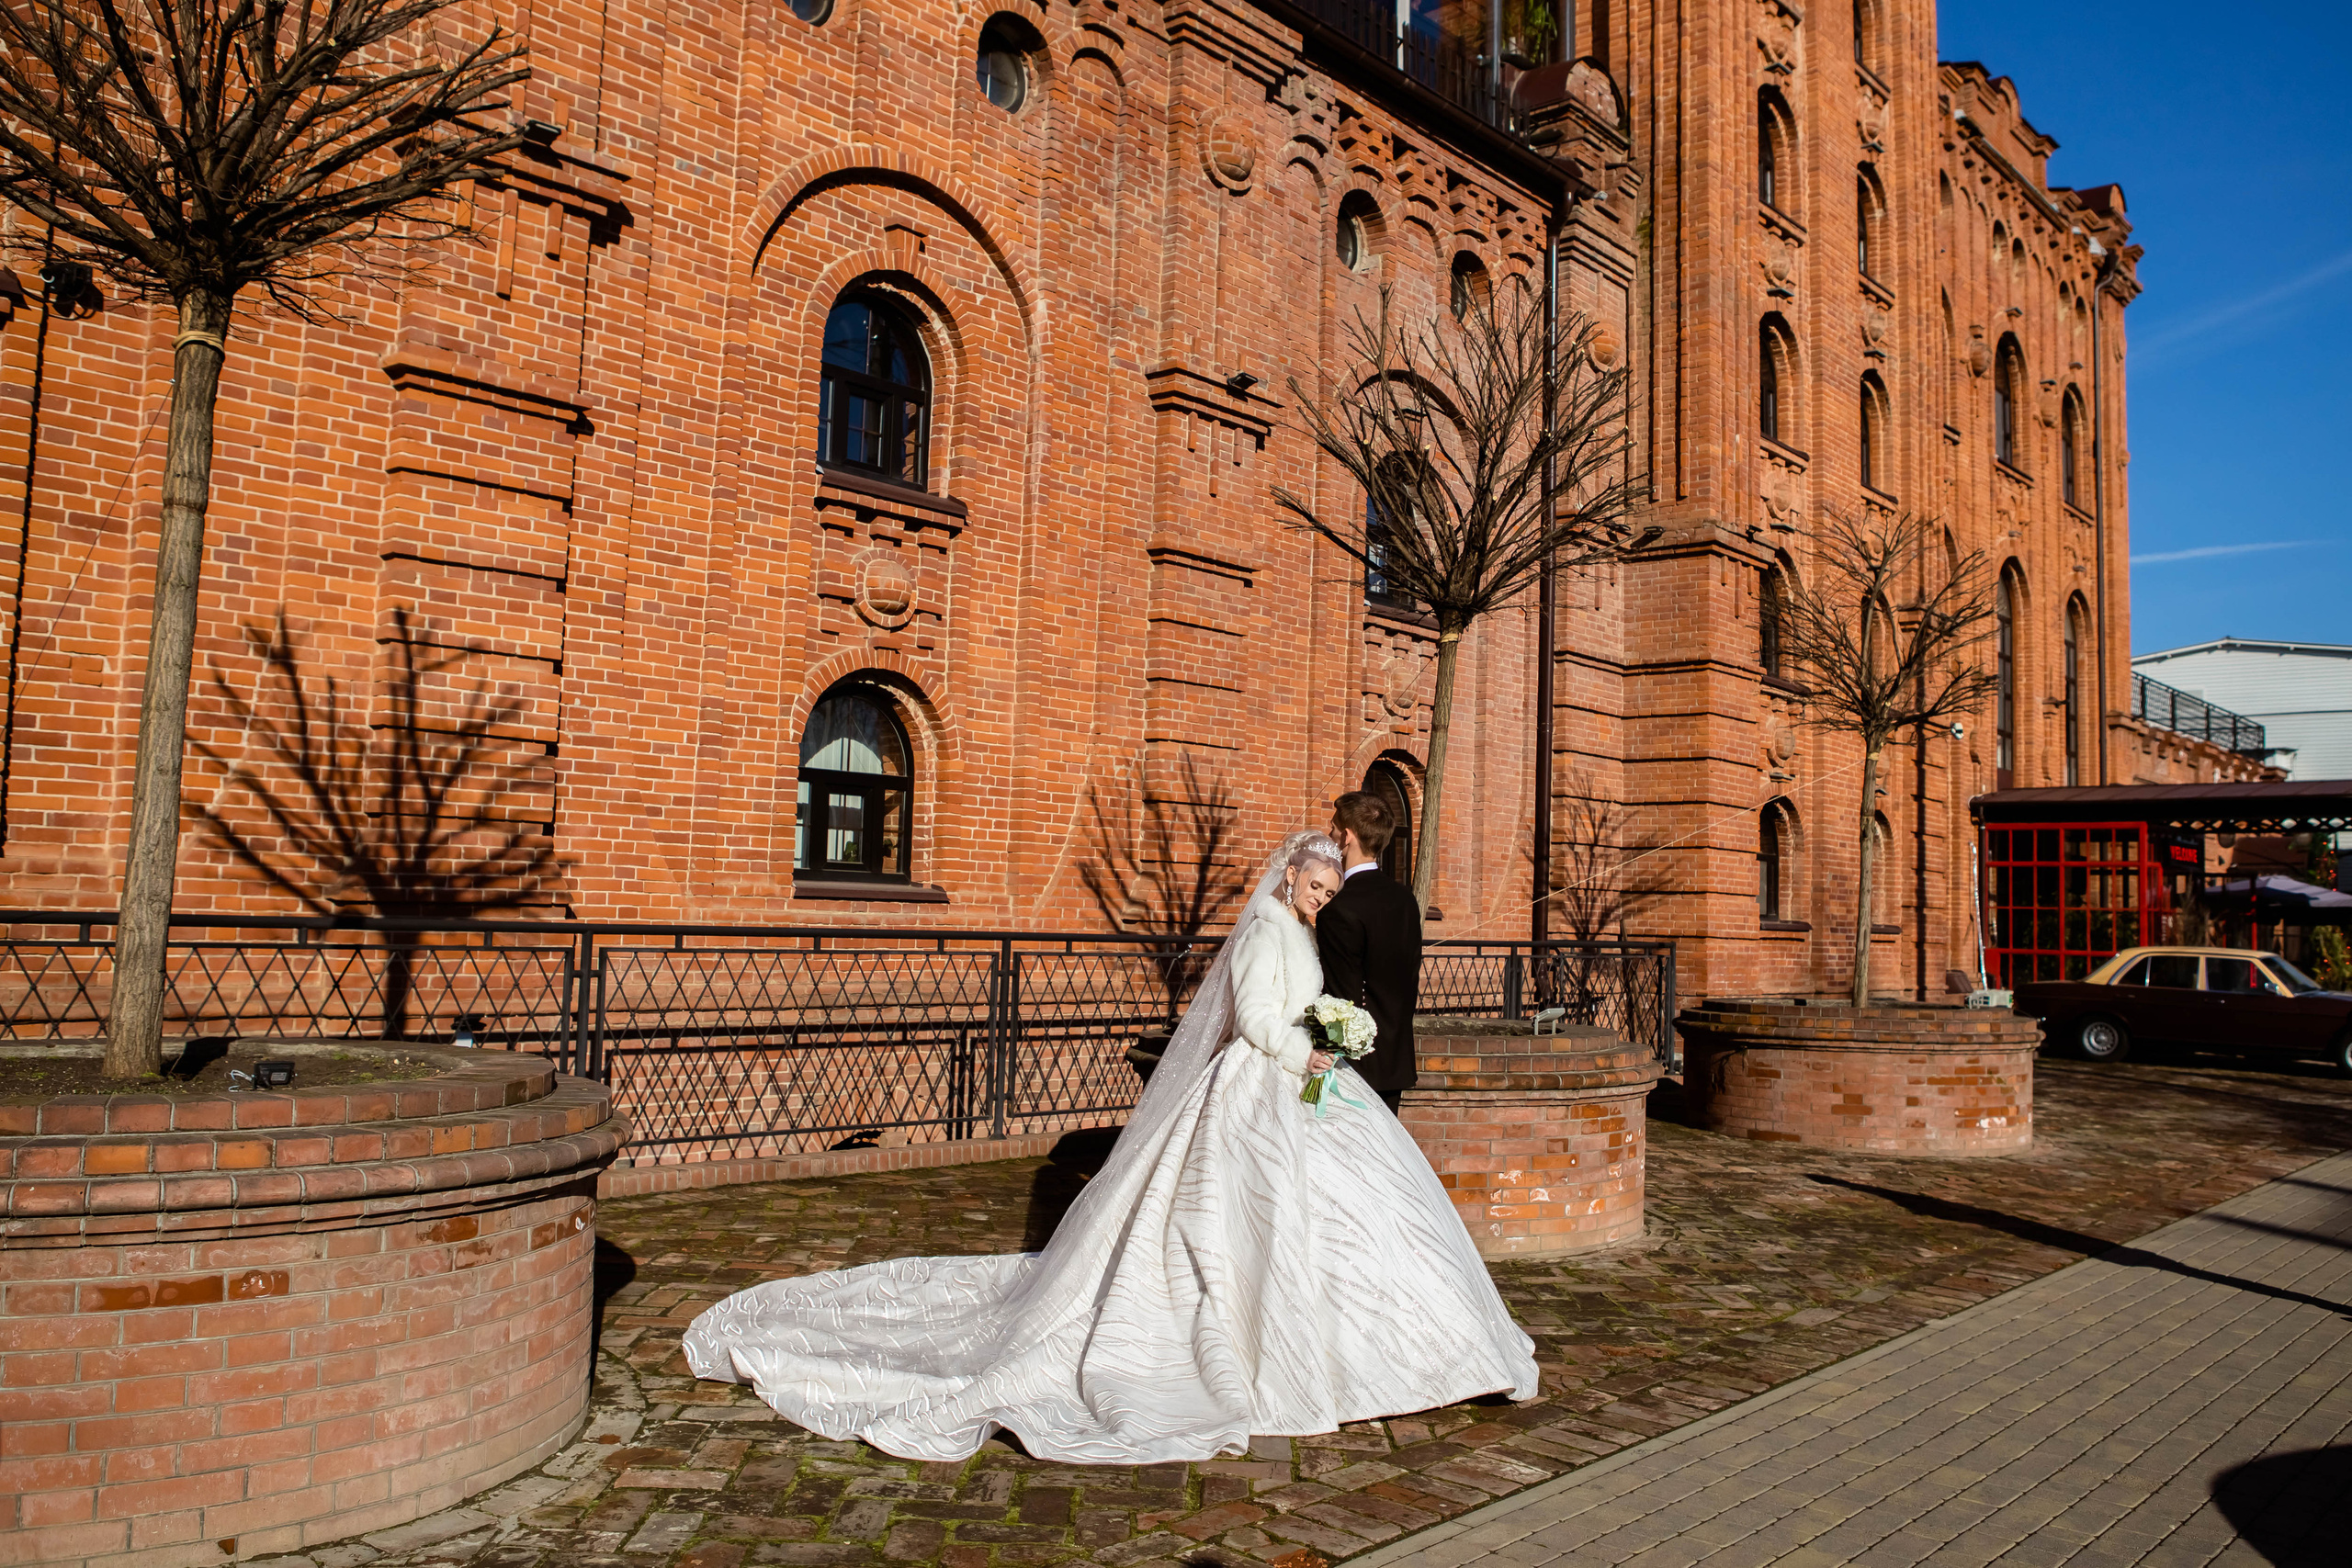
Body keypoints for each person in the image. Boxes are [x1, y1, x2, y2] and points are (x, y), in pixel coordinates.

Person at [680, 831, 1537, 1463]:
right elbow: (1256, 1016)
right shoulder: (1269, 930)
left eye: (1324, 887)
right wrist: (1305, 1043)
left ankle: (1403, 1345)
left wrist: (1322, 1037)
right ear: (1289, 875)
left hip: (1302, 1085)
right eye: (1311, 884)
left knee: (1351, 1217)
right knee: (1238, 1218)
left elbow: (1291, 1003)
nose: (1319, 896)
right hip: (1260, 1084)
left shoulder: (1301, 928)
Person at [1317, 791, 1423, 1114]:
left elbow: (1340, 997)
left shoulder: (1339, 909)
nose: (1331, 834)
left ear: (1347, 837)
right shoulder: (1405, 900)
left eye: (1334, 827)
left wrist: (1322, 1056)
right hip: (1395, 1059)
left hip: (1354, 1068)